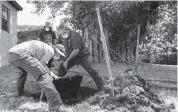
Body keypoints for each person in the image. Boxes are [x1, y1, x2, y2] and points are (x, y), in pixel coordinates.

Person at [7, 40, 72, 112]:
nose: (59, 57)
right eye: (60, 55)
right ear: (57, 51)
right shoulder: (50, 50)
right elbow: (42, 67)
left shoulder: (43, 47)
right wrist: (50, 75)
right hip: (22, 54)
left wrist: (52, 74)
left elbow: (39, 64)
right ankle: (56, 106)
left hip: (11, 54)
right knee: (43, 75)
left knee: (23, 72)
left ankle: (19, 92)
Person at [57, 21, 105, 91]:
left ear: (68, 30)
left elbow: (76, 50)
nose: (62, 35)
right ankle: (58, 85)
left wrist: (67, 61)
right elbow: (58, 45)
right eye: (61, 33)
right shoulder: (61, 36)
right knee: (62, 67)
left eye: (64, 33)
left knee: (90, 69)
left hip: (83, 55)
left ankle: (101, 86)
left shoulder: (74, 35)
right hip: (71, 56)